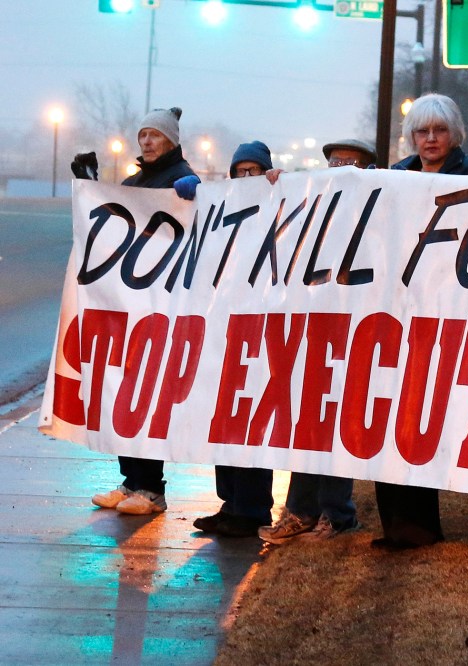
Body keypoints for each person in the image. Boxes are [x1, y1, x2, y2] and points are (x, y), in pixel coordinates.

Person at [371, 94, 468, 551]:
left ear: (454, 133)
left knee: (423, 415)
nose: (431, 139)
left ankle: (422, 524)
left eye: (439, 130)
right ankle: (395, 524)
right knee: (390, 415)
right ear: (412, 136)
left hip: (444, 311)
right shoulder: (396, 177)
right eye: (423, 131)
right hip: (397, 311)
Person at [75, 107, 200, 515]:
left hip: (160, 305)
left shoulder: (179, 177)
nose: (146, 141)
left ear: (172, 140)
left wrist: (196, 190)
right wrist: (90, 187)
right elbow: (113, 230)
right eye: (143, 135)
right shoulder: (134, 181)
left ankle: (152, 489)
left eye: (155, 135)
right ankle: (131, 480)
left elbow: (200, 220)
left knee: (149, 396)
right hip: (128, 306)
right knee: (124, 394)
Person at [256, 140, 373, 545]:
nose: (339, 169)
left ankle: (338, 515)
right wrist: (276, 186)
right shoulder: (311, 207)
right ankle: (301, 510)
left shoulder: (375, 209)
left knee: (338, 421)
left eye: (350, 164)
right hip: (312, 331)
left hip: (356, 330)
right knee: (307, 422)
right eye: (333, 163)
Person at [192, 141, 277, 538]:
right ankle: (231, 502)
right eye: (239, 172)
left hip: (261, 334)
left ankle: (253, 507)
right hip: (225, 330)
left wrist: (281, 186)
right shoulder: (222, 211)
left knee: (250, 423)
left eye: (254, 171)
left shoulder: (281, 203)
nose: (247, 179)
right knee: (222, 420)